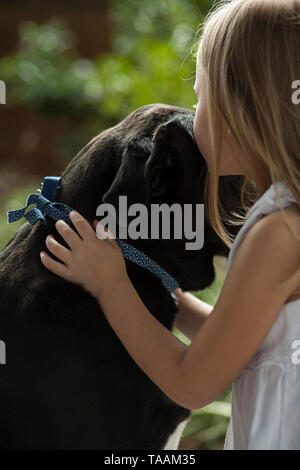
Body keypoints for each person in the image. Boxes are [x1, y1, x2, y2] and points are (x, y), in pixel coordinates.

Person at [39, 0, 300, 449]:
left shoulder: (280, 233)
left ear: (244, 111)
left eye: (202, 98)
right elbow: (241, 342)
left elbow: (193, 383)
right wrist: (166, 295)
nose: (194, 112)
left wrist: (110, 284)